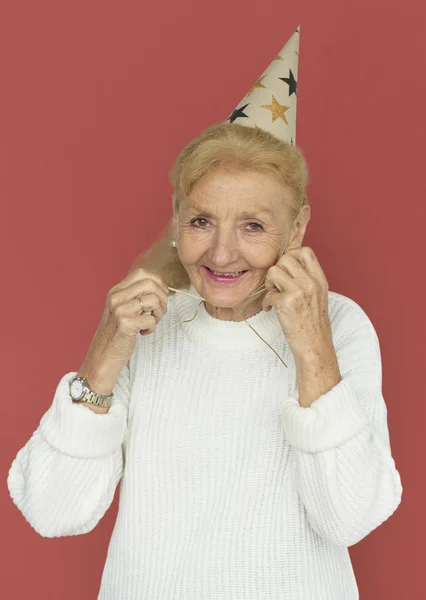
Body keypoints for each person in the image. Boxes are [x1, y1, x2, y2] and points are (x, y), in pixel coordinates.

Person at [7, 28, 403, 600]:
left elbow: (348, 516)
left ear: (297, 228)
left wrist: (313, 346)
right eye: (201, 222)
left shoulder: (340, 325)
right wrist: (102, 357)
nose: (221, 254)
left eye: (253, 226)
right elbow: (53, 511)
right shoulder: (148, 326)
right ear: (175, 220)